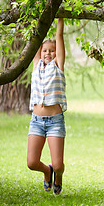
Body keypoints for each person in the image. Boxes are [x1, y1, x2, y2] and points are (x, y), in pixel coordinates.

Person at [27, 18, 66, 195]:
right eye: (44, 50)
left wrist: (60, 18)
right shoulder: (36, 65)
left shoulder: (58, 65)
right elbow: (35, 39)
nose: (47, 53)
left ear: (57, 53)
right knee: (31, 163)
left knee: (59, 165)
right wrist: (38, 19)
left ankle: (57, 174)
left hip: (55, 121)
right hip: (36, 121)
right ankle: (47, 171)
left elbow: (59, 35)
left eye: (51, 50)